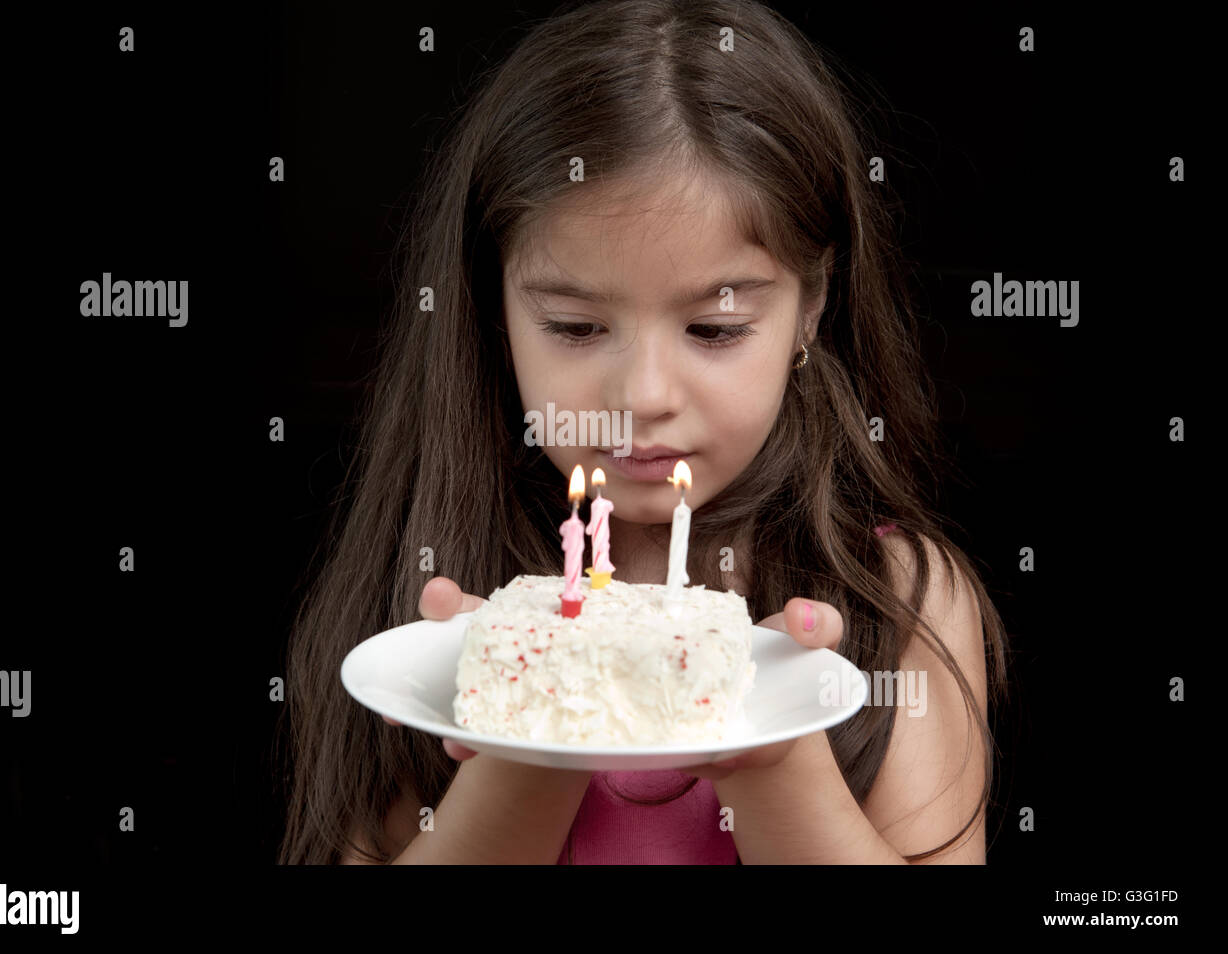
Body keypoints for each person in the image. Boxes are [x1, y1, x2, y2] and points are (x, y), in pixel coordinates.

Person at [276, 0, 1011, 865]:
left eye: (715, 331)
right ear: (491, 309)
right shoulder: (437, 601)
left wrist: (770, 755)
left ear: (811, 307)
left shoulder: (903, 602)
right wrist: (530, 724)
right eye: (577, 329)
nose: (643, 396)